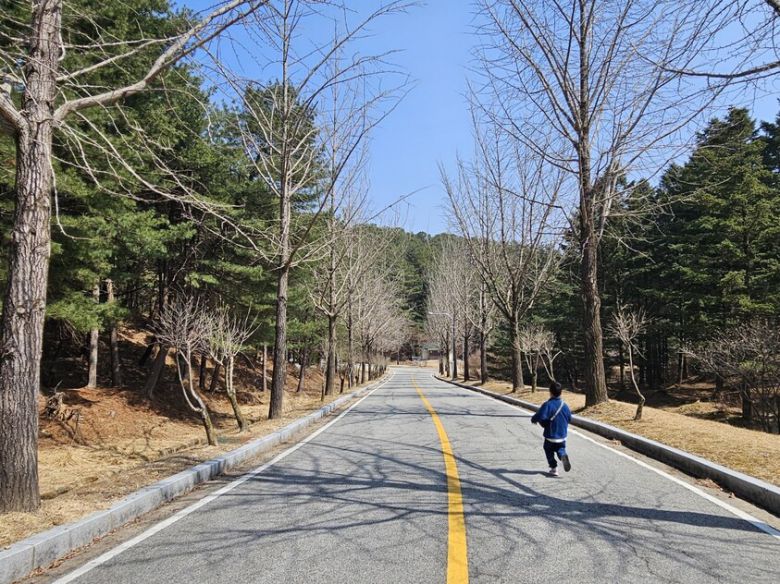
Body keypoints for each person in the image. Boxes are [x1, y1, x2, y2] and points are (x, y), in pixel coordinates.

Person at [531, 381, 572, 477]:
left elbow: (540, 415)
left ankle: (554, 468)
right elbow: (569, 418)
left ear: (550, 392)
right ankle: (563, 456)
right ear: (561, 392)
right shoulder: (565, 405)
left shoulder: (548, 405)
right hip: (562, 435)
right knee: (560, 448)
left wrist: (534, 419)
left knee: (548, 449)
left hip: (551, 435)